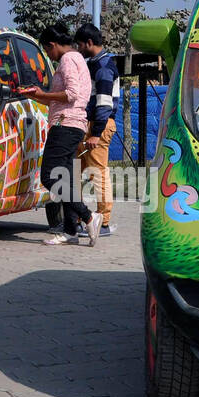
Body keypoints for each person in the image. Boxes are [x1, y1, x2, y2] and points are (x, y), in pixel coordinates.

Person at [16, 24, 103, 246]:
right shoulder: (77, 60)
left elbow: (71, 95)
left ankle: (88, 216)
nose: (49, 56)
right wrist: (37, 95)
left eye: (47, 51)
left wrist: (45, 94)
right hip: (72, 124)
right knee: (64, 178)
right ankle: (70, 230)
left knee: (49, 176)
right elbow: (58, 97)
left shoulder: (67, 60)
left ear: (52, 45)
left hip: (65, 124)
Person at [74, 23, 120, 238]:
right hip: (90, 124)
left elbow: (104, 103)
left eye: (80, 45)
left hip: (97, 125)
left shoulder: (102, 67)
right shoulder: (95, 64)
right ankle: (77, 218)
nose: (79, 49)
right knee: (74, 172)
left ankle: (103, 223)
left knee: (98, 175)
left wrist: (95, 133)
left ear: (89, 43)